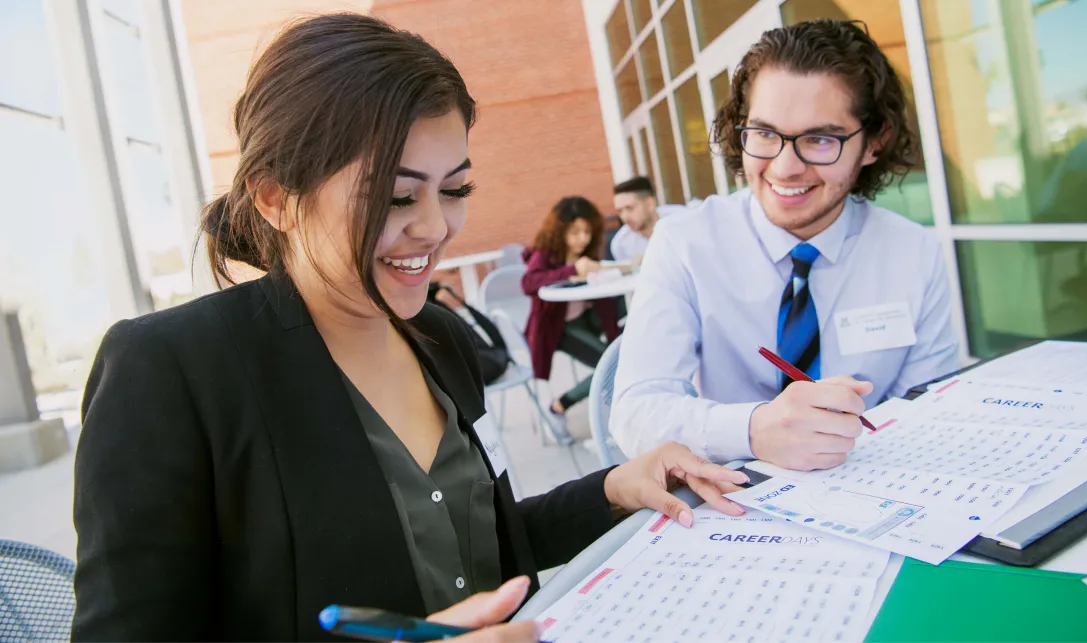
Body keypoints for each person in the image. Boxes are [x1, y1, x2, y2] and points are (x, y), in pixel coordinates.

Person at [71, 14, 749, 642]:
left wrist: (614, 486)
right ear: (275, 196)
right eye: (396, 196)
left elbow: (487, 537)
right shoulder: (168, 373)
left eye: (453, 189)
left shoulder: (438, 336)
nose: (434, 228)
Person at [611, 19, 959, 470]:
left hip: (879, 483)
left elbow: (932, 410)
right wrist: (755, 429)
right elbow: (636, 414)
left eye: (819, 139)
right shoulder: (686, 244)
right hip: (734, 495)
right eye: (765, 134)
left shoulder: (914, 253)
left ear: (875, 142)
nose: (784, 166)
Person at [520, 197, 622, 444]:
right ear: (560, 230)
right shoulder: (546, 254)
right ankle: (558, 406)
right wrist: (574, 270)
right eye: (575, 232)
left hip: (587, 318)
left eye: (587, 231)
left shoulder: (586, 252)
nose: (582, 238)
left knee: (625, 343)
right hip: (558, 329)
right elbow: (528, 282)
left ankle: (621, 399)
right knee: (612, 367)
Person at [608, 176, 687, 264]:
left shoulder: (681, 219)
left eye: (629, 208)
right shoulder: (621, 244)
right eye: (620, 211)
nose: (624, 217)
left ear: (650, 204)